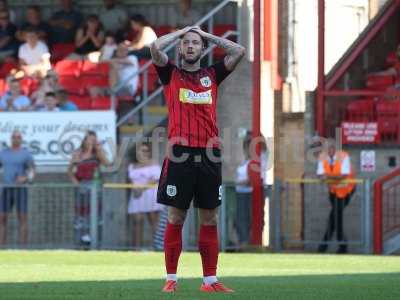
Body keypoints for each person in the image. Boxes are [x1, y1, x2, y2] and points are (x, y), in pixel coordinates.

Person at [151, 26, 245, 292]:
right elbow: (154, 48)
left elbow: (239, 51)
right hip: (180, 155)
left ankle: (210, 281)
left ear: (202, 49)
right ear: (180, 49)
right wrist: (182, 31)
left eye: (195, 43)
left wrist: (206, 35)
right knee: (176, 216)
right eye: (186, 43)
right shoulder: (170, 73)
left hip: (209, 154)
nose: (190, 46)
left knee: (210, 218)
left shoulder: (212, 75)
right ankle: (171, 278)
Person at [67, 131, 110, 247]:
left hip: (95, 187)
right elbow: (70, 171)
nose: (91, 142)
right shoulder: (78, 154)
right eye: (89, 139)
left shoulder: (98, 154)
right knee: (81, 215)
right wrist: (75, 182)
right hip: (81, 187)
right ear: (84, 141)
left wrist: (98, 150)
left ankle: (96, 241)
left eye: (93, 140)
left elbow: (107, 164)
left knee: (96, 214)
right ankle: (80, 241)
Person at [317, 140, 356, 254]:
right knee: (336, 217)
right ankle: (342, 246)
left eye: (331, 148)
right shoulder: (322, 157)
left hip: (346, 191)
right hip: (333, 191)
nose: (329, 150)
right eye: (327, 148)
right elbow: (320, 175)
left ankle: (323, 246)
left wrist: (327, 177)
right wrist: (330, 177)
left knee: (334, 216)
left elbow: (343, 176)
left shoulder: (344, 156)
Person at [0, 130, 35, 246]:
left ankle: (23, 249)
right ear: (11, 139)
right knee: (2, 218)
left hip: (21, 190)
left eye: (18, 137)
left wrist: (25, 178)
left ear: (21, 139)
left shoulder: (26, 154)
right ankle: (2, 248)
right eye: (14, 137)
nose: (16, 139)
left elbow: (33, 170)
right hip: (6, 189)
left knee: (23, 218)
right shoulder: (3, 153)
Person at [127, 142, 163, 249]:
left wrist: (141, 189)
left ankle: (157, 248)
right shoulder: (132, 166)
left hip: (150, 194)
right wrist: (134, 190)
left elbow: (155, 179)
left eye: (146, 151)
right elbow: (130, 181)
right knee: (137, 221)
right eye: (142, 150)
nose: (144, 153)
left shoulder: (154, 164)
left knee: (153, 222)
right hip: (136, 196)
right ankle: (136, 249)